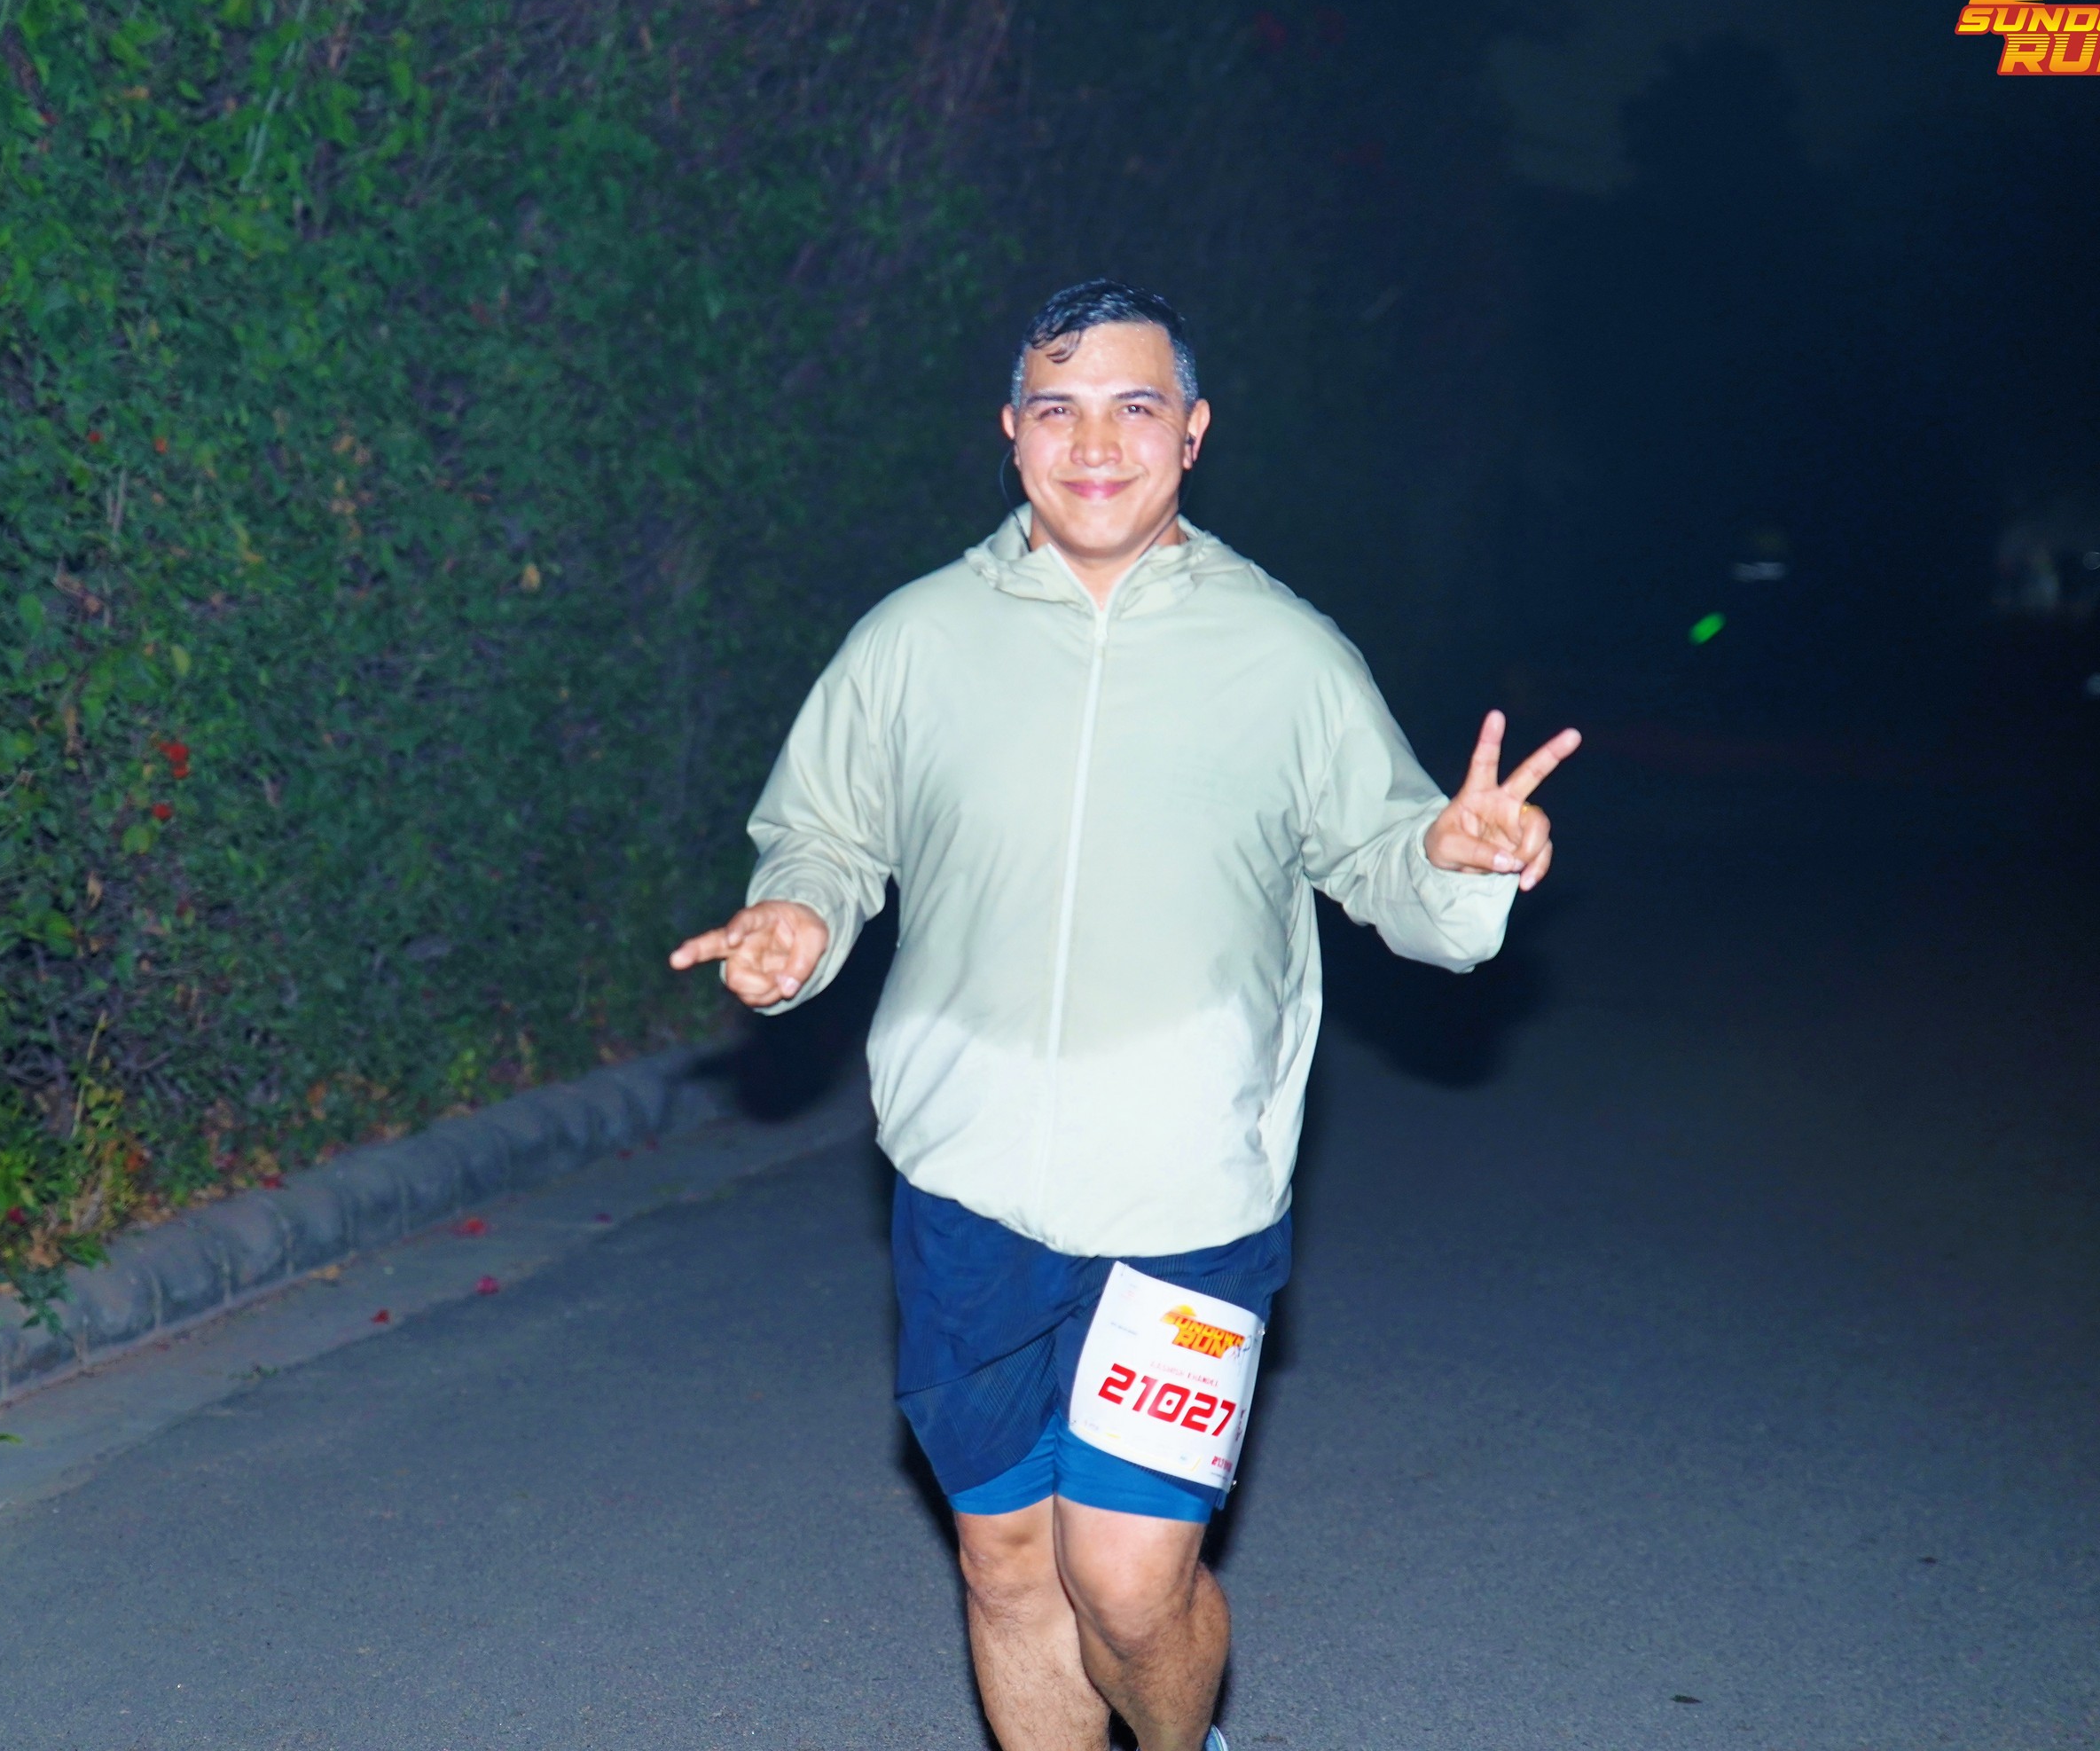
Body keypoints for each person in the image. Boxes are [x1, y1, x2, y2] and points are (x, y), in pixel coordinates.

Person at [670, 279, 1578, 1751]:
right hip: (966, 1180)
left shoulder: (1283, 653)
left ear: (1193, 433)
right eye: (1060, 408)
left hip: (1188, 1192)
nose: (1096, 443)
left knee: (1130, 1582)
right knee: (1005, 1561)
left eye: (1135, 407)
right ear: (1012, 431)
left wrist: (1455, 859)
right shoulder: (914, 640)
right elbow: (826, 832)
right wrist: (799, 917)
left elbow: (1384, 859)